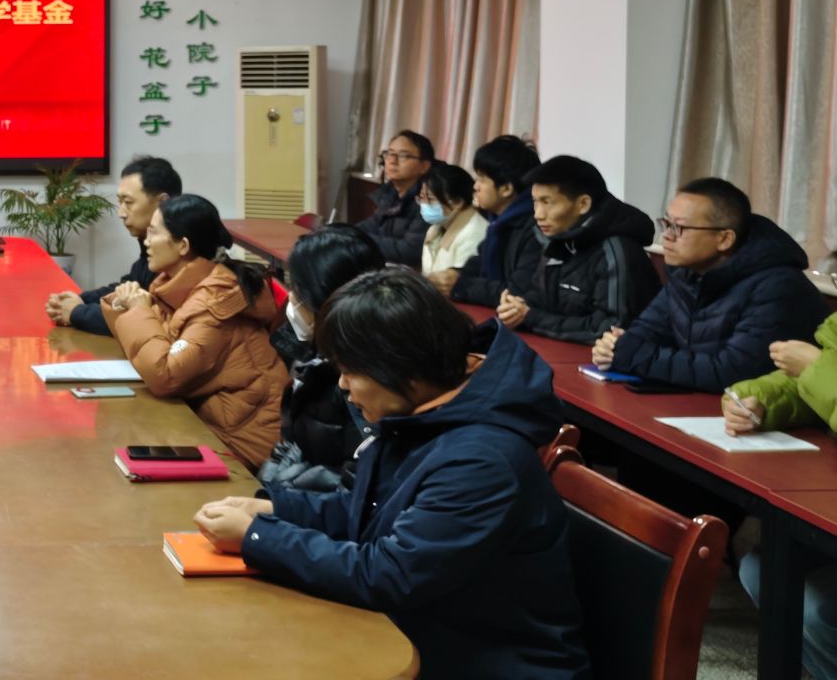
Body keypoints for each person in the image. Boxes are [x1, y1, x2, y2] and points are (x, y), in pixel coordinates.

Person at [198, 270, 589, 680]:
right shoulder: (426, 413)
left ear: (404, 369)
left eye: (351, 372)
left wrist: (258, 538)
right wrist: (274, 509)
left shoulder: (482, 460)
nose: (343, 387)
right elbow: (365, 511)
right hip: (425, 638)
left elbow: (389, 575)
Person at [727, 224, 837, 679]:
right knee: (763, 571)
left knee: (819, 606)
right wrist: (755, 402)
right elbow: (801, 388)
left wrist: (819, 367)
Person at [100, 195, 286, 469]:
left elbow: (165, 374)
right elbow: (159, 340)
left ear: (183, 246)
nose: (146, 242)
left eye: (153, 233)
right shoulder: (179, 285)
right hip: (212, 426)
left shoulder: (214, 301)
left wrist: (139, 311)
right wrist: (128, 306)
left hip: (243, 445)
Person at [594, 177, 827, 391]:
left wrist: (632, 354)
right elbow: (644, 333)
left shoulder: (777, 286)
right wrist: (614, 347)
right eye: (666, 223)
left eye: (679, 228)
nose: (666, 236)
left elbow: (734, 371)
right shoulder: (687, 273)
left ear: (724, 239)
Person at [260, 224, 384, 491]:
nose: (291, 299)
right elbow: (292, 443)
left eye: (297, 289)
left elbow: (356, 489)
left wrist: (277, 501)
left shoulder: (368, 380)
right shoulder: (311, 354)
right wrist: (267, 490)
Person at [492, 155, 658, 343]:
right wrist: (518, 308)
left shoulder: (617, 251)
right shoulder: (560, 240)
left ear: (583, 204)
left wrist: (531, 317)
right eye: (535, 202)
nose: (537, 214)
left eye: (547, 202)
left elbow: (610, 327)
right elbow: (542, 299)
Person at [45, 155, 178, 335]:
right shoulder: (148, 246)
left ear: (162, 202)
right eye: (119, 202)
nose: (121, 213)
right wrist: (80, 300)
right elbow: (129, 286)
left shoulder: (179, 256)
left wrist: (77, 312)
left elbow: (148, 319)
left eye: (128, 202)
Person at [447, 134, 542, 307]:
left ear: (506, 188)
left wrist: (459, 286)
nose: (475, 186)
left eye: (481, 179)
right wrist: (453, 276)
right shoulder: (498, 223)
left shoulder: (536, 229)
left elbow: (515, 294)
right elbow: (476, 265)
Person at [356, 130, 434, 266]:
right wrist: (341, 232)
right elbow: (370, 225)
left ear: (424, 166)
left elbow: (410, 251)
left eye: (403, 156)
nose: (392, 161)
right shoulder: (391, 193)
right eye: (390, 153)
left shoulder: (429, 200)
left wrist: (360, 239)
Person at [417, 161, 487, 287]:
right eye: (422, 198)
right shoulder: (435, 229)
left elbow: (457, 283)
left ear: (458, 202)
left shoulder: (474, 232)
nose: (424, 204)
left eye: (431, 199)